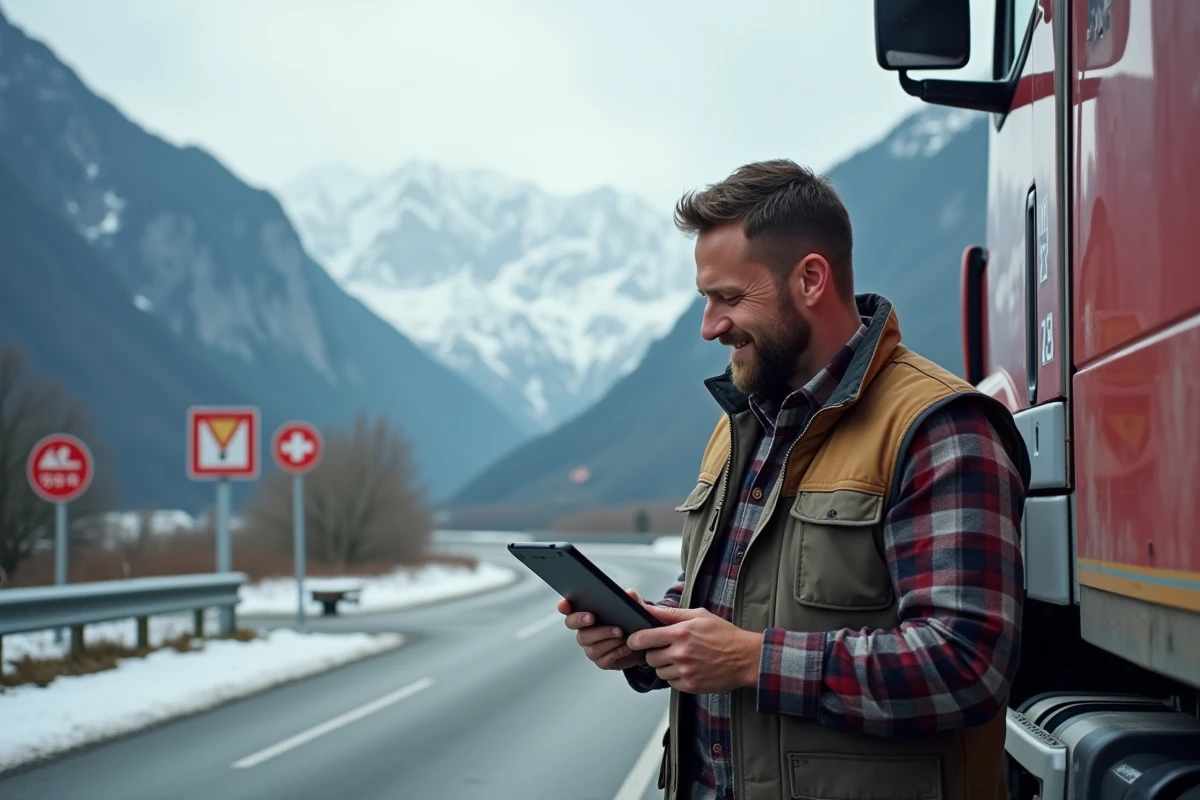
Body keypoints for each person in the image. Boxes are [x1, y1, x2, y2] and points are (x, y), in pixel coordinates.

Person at [558, 159, 1031, 800]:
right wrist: (646, 635)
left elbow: (965, 665)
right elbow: (732, 605)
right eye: (705, 299)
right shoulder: (736, 431)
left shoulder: (939, 429)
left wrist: (752, 660)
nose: (710, 326)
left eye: (729, 298)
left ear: (811, 279)